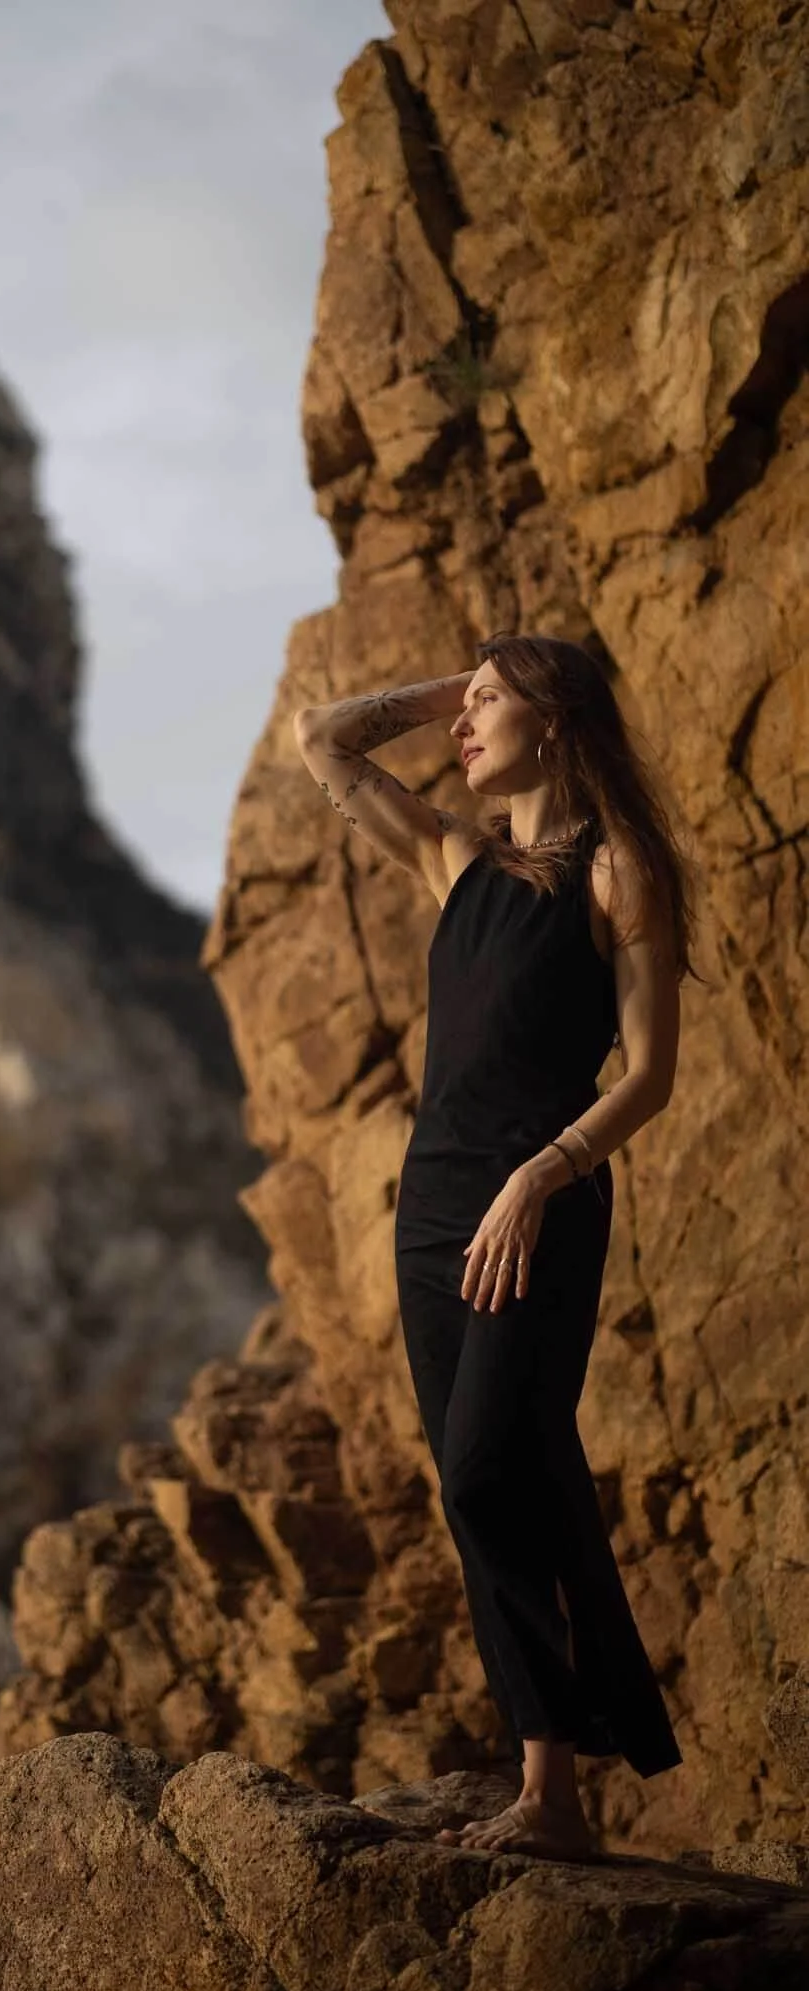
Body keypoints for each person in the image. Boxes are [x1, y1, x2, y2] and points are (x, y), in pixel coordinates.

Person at [292, 631, 701, 1860]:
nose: (462, 723)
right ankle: (551, 1790)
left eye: (487, 705)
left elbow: (648, 1075)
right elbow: (322, 737)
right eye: (459, 706)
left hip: (538, 1205)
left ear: (555, 717)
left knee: (483, 1468)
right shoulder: (454, 857)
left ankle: (555, 1781)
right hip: (431, 1213)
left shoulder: (617, 869)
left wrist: (539, 1174)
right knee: (498, 1480)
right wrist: (463, 681)